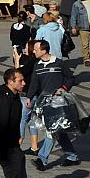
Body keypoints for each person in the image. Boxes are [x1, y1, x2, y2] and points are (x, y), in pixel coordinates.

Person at [28, 39, 77, 171]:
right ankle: (72, 157)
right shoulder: (37, 66)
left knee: (52, 129)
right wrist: (29, 97)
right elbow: (34, 84)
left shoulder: (58, 63)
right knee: (58, 132)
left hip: (58, 103)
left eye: (36, 49)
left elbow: (70, 78)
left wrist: (64, 88)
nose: (33, 51)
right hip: (45, 103)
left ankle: (42, 160)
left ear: (44, 51)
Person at [13, 41, 39, 155]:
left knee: (21, 120)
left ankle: (17, 145)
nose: (25, 49)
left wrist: (17, 60)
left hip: (27, 96)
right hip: (35, 95)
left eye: (27, 47)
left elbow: (17, 74)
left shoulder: (31, 62)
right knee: (31, 121)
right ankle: (34, 147)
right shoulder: (36, 62)